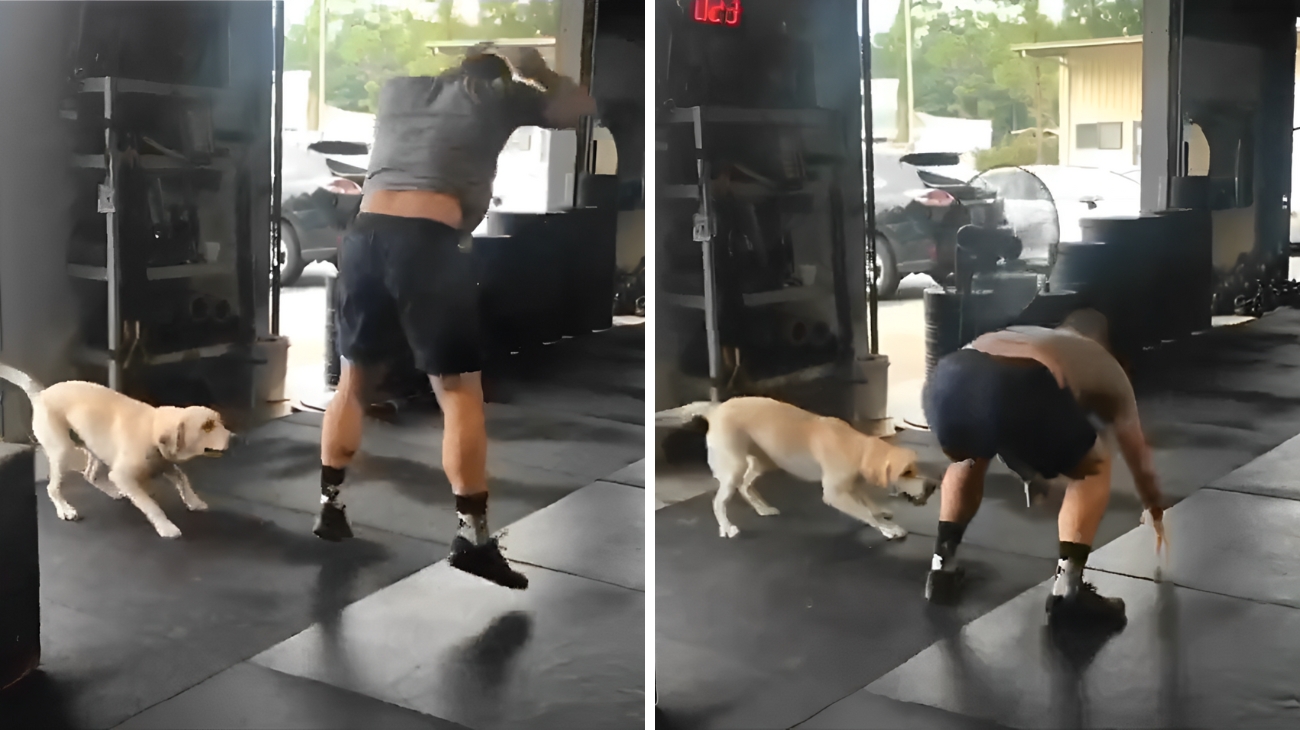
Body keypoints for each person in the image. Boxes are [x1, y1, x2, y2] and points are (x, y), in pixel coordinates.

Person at [313, 46, 597, 592]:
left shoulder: (400, 88)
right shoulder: (498, 95)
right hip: (428, 242)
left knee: (354, 380)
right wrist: (535, 71)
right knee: (459, 391)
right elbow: (579, 106)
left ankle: (331, 506)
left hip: (365, 237)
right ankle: (473, 538)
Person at [921, 309, 1165, 628]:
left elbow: (1000, 417)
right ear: (1110, 347)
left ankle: (942, 569)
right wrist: (1155, 511)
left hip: (947, 379)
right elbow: (1137, 455)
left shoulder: (1027, 334)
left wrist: (1030, 472)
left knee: (968, 458)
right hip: (1014, 383)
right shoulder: (1106, 366)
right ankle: (1069, 591)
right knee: (1095, 466)